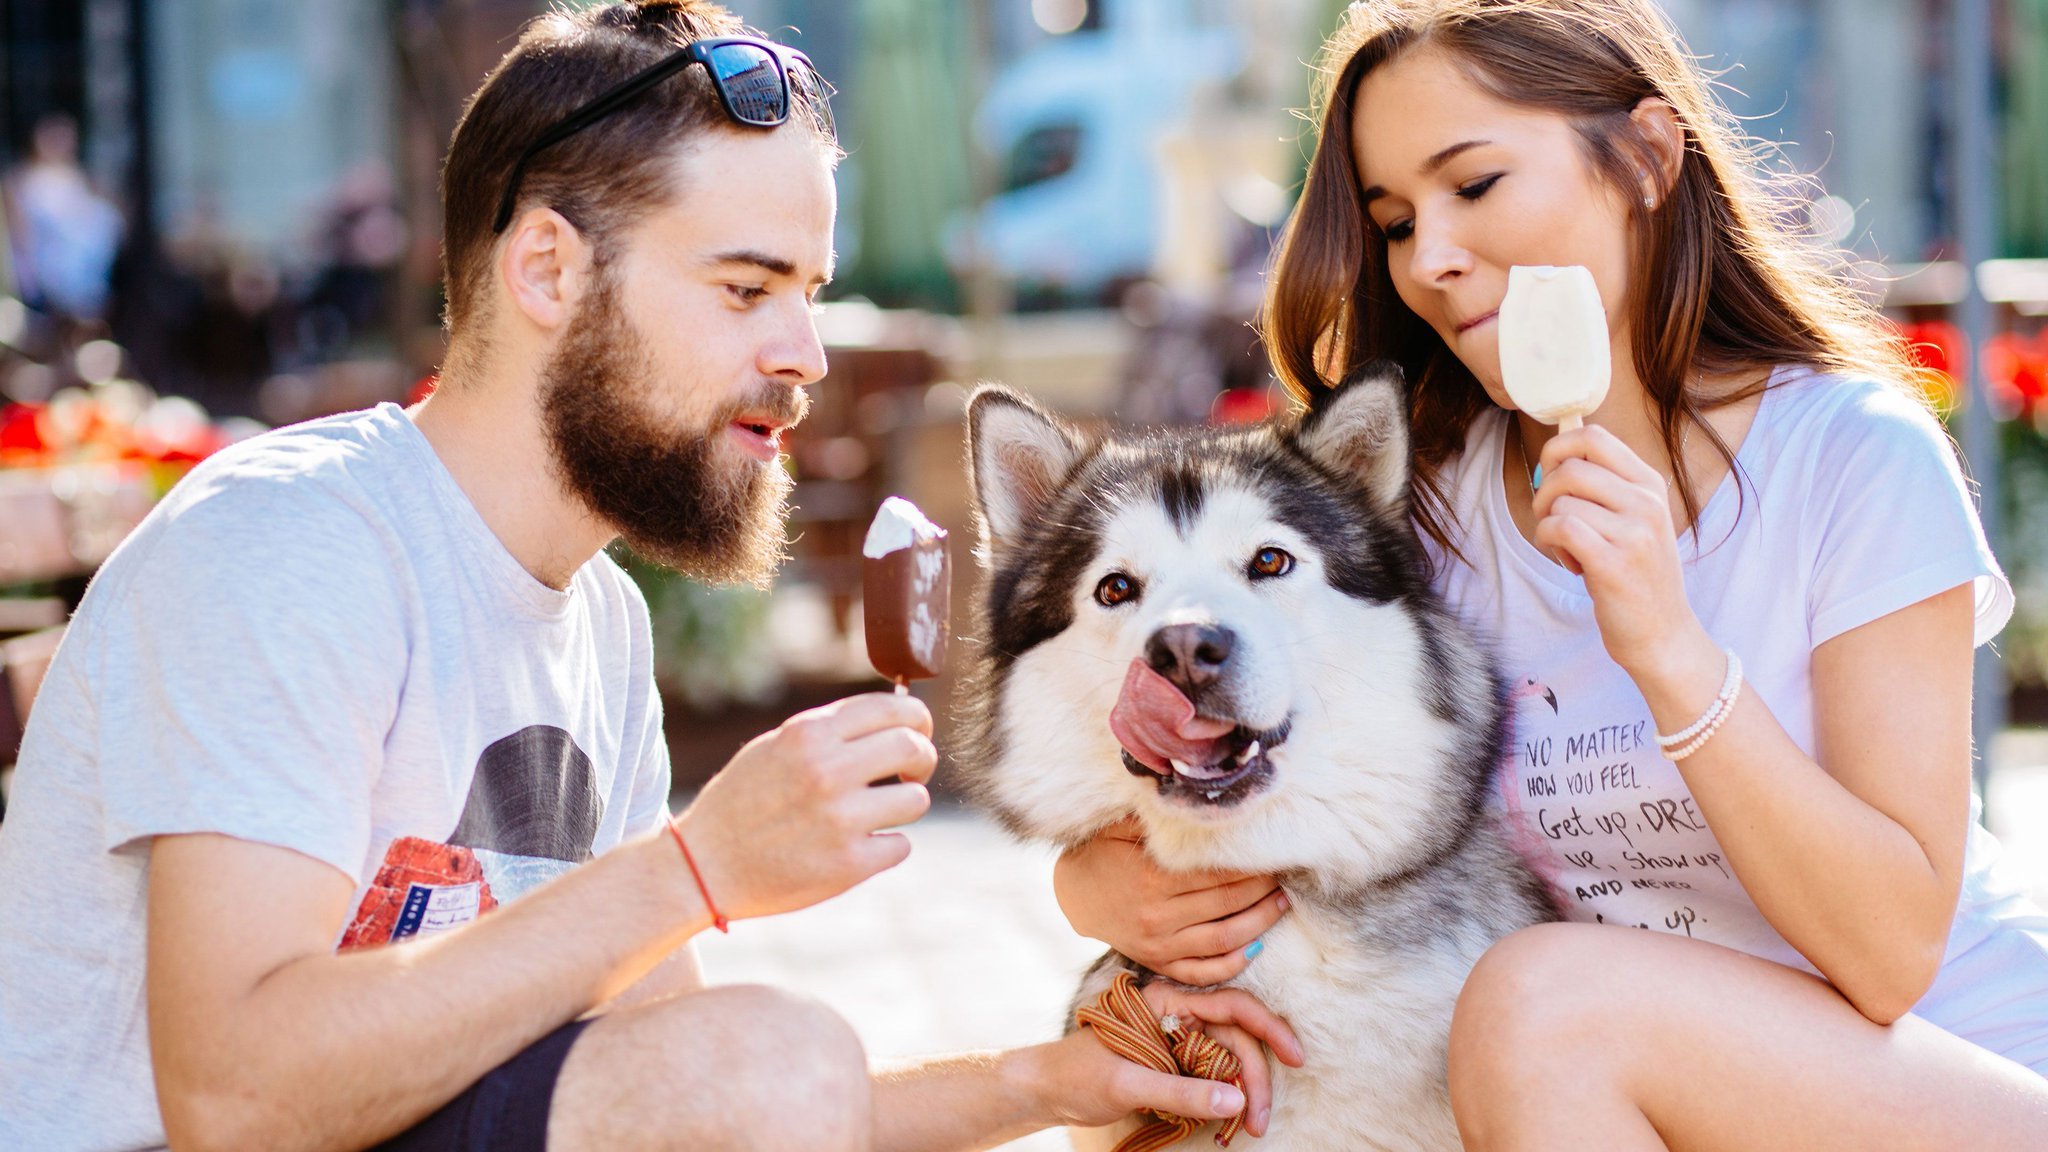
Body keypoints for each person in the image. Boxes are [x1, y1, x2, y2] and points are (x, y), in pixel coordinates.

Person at [0, 4, 1299, 1150]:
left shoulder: (597, 623)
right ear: (551, 269)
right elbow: (235, 1102)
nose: (803, 352)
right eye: (747, 288)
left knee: (756, 1057)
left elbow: (696, 1105)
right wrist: (694, 869)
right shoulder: (294, 544)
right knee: (763, 1053)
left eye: (810, 291)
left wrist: (1046, 1080)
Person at [1053, 0, 2048, 1147]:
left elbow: (1887, 955)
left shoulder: (1848, 454)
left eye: (1472, 186)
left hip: (1953, 1074)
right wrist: (1095, 886)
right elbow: (1240, 785)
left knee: (1540, 999)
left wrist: (1668, 652)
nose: (1429, 257)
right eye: (1391, 220)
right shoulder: (1422, 514)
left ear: (1642, 156)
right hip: (1627, 1105)